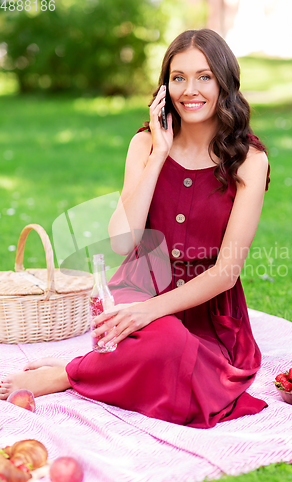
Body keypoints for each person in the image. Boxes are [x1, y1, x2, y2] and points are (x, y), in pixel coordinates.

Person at [0, 29, 270, 429]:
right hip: (138, 285)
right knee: (144, 336)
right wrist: (159, 153)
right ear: (165, 86)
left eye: (204, 76)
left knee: (170, 345)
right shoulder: (144, 144)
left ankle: (68, 374)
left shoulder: (249, 160)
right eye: (178, 77)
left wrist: (149, 312)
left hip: (206, 308)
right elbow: (121, 241)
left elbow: (226, 273)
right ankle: (109, 361)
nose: (190, 90)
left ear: (224, 83)